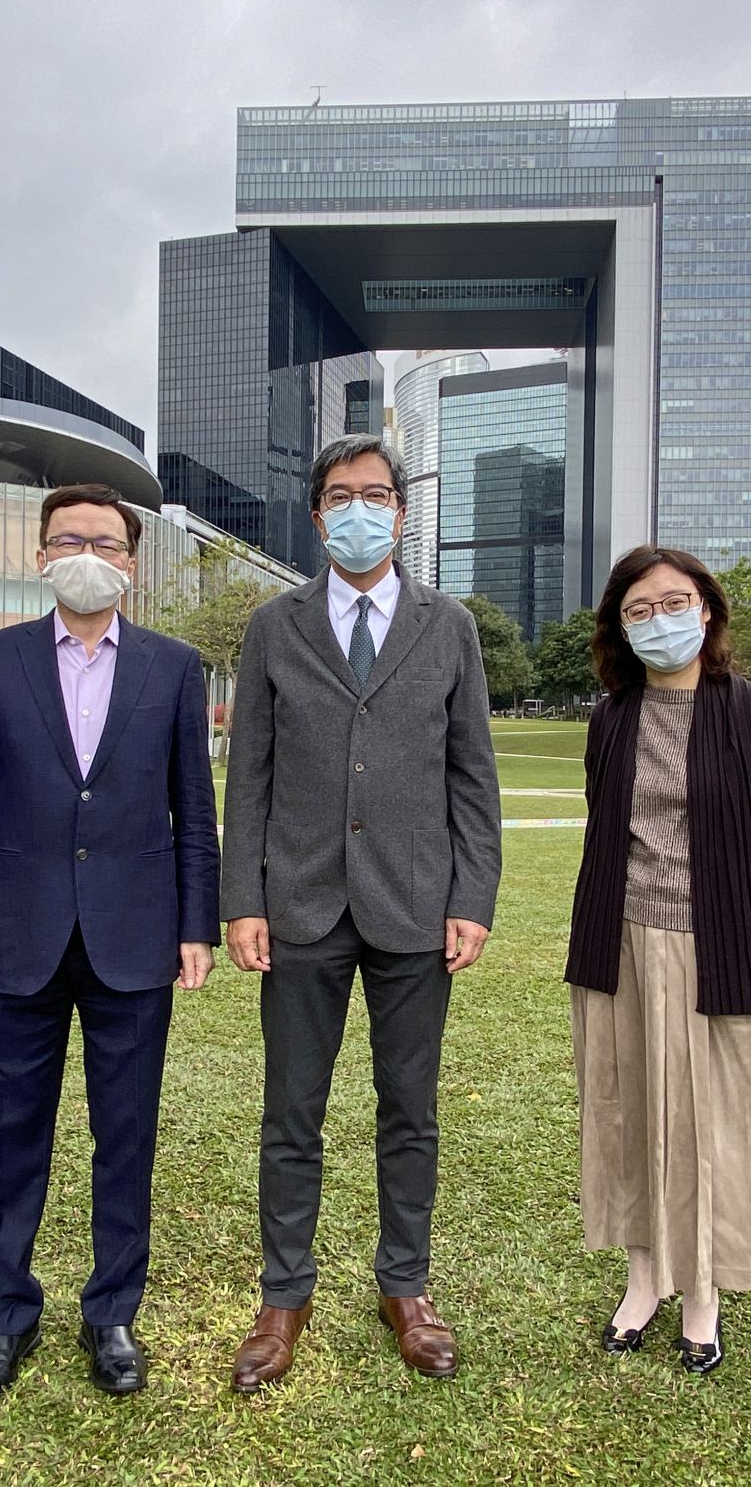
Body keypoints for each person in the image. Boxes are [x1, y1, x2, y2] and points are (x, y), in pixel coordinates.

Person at [0, 483, 220, 1404]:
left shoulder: (175, 667)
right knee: (11, 1136)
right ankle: (6, 1316)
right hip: (17, 935)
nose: (87, 555)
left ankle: (111, 1312)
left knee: (124, 1136)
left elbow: (193, 809)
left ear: (132, 561)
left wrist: (196, 924)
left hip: (136, 936)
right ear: (40, 556)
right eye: (68, 540)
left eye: (106, 542)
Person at [221, 434, 502, 1392]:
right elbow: (248, 774)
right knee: (290, 1112)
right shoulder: (274, 625)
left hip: (415, 905)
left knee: (409, 1111)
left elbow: (472, 776)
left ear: (401, 511)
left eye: (376, 494)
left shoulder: (448, 625)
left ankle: (406, 1287)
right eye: (341, 495)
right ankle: (282, 1297)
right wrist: (243, 898)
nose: (359, 510)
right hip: (299, 904)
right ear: (316, 515)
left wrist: (472, 898)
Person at [564, 547, 751, 1374]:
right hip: (620, 941)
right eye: (638, 610)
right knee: (628, 1108)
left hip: (716, 947)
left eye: (674, 603)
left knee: (712, 1118)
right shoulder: (613, 717)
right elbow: (608, 822)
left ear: (706, 610)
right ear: (619, 628)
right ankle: (644, 1277)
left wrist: (733, 907)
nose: (659, 620)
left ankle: (701, 1288)